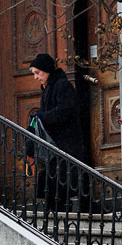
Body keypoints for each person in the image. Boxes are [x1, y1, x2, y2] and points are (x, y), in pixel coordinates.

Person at [28, 53, 83, 211]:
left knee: (62, 184)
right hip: (54, 146)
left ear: (47, 70)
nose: (35, 77)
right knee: (54, 185)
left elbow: (65, 111)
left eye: (37, 73)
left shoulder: (61, 85)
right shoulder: (47, 88)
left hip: (65, 144)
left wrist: (43, 117)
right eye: (34, 73)